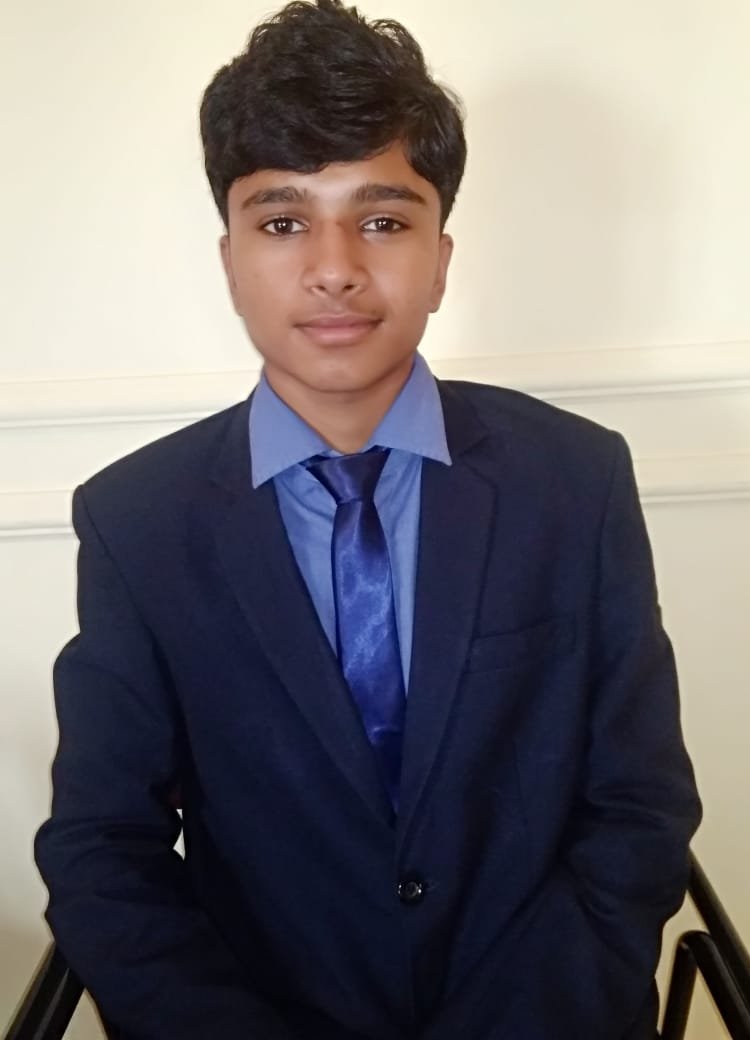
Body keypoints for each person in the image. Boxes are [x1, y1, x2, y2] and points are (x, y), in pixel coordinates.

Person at [34, 2, 702, 1038]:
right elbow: (103, 845)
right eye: (283, 221)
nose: (336, 265)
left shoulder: (575, 480)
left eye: (383, 220)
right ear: (230, 259)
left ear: (441, 257)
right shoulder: (138, 519)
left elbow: (639, 802)